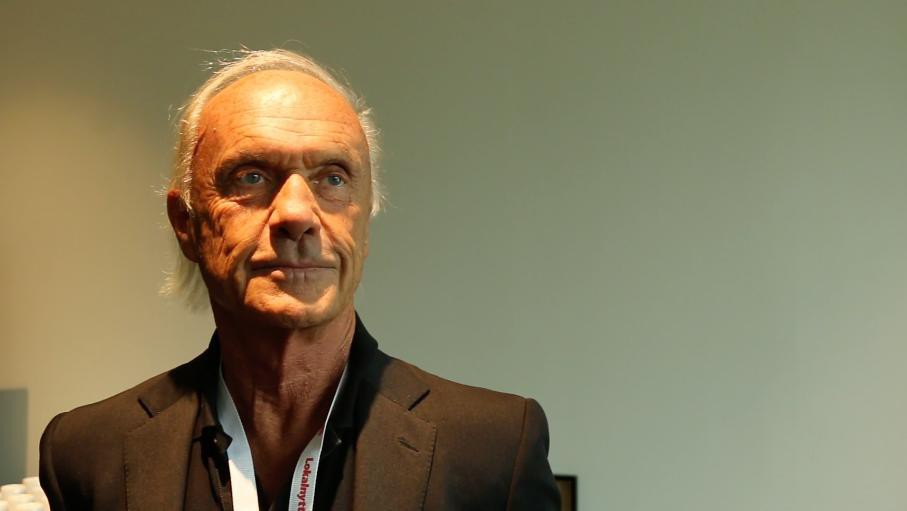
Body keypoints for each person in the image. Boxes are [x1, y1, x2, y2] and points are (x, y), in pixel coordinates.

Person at [39, 49, 560, 511]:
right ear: (186, 225)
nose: (296, 214)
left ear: (364, 221)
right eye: (251, 176)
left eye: (332, 178)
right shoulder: (87, 453)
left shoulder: (492, 450)